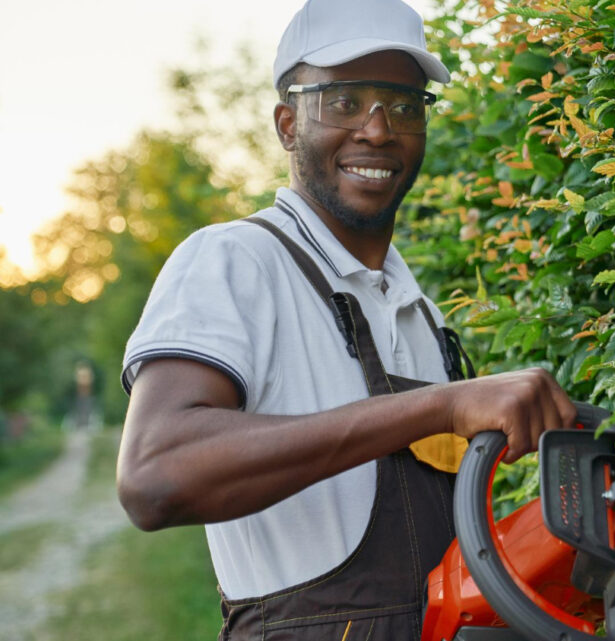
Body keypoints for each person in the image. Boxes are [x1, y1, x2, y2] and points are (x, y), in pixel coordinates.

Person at [116, 0, 577, 638]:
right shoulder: (235, 260)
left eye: (405, 104)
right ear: (286, 124)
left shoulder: (420, 313)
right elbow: (154, 476)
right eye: (343, 101)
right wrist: (440, 407)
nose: (378, 129)